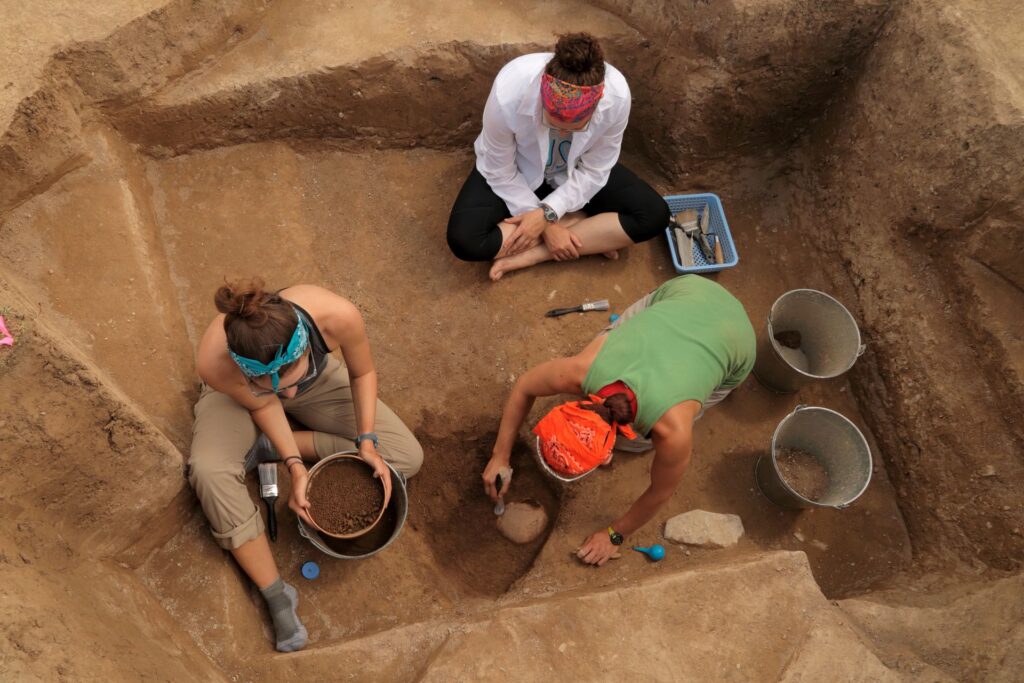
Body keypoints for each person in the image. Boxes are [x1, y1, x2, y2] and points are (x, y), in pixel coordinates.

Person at [188, 279, 423, 652]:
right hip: (244, 400)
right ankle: (277, 594)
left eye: (292, 379)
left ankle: (265, 446)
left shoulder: (336, 316)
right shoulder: (215, 363)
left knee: (405, 457)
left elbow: (362, 373)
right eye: (277, 385)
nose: (289, 395)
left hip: (316, 387)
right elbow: (265, 404)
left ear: (304, 345)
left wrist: (366, 440)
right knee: (209, 471)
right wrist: (296, 468)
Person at [482, 275, 755, 565]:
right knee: (609, 345)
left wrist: (614, 536)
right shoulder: (581, 369)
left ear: (606, 455)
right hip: (690, 291)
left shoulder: (672, 431)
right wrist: (500, 455)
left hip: (736, 342)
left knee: (637, 445)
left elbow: (661, 491)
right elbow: (525, 385)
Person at [446, 32, 670, 280]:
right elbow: (499, 170)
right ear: (543, 95)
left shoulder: (616, 97)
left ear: (596, 106)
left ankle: (536, 254)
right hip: (518, 172)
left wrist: (545, 218)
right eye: (553, 121)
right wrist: (549, 224)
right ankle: (583, 226)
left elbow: (595, 169)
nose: (563, 130)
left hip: (573, 172)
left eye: (576, 125)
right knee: (465, 240)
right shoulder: (508, 92)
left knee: (654, 214)